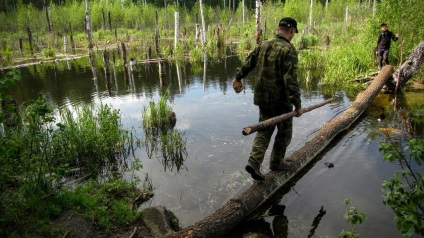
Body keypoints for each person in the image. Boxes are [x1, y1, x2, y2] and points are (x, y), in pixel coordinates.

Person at [232, 17, 302, 181]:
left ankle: (254, 162)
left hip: (263, 98)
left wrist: (238, 77)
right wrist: (297, 105)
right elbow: (290, 80)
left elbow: (248, 64)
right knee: (284, 133)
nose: (293, 36)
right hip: (281, 102)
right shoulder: (288, 50)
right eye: (294, 33)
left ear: (279, 29)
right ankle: (276, 163)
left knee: (264, 130)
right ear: (291, 30)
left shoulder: (263, 45)